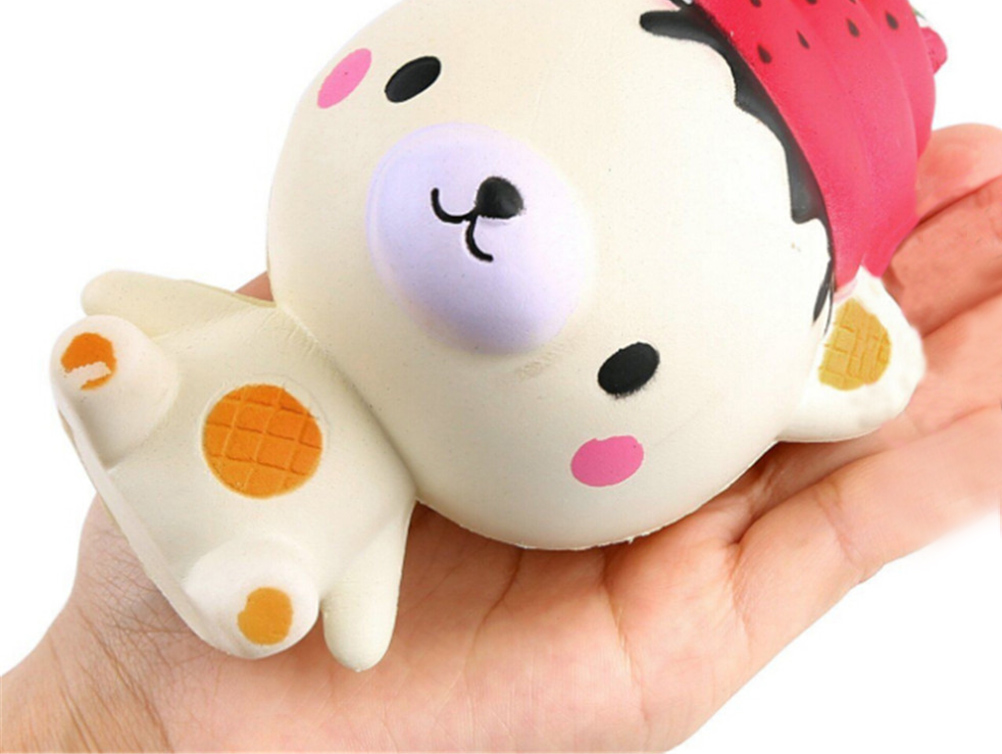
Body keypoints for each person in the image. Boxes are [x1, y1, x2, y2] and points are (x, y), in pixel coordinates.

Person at [5, 124, 1002, 752]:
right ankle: (140, 408)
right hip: (271, 396)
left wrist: (124, 717)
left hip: (361, 502)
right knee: (182, 401)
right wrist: (118, 707)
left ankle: (251, 568)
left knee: (296, 581)